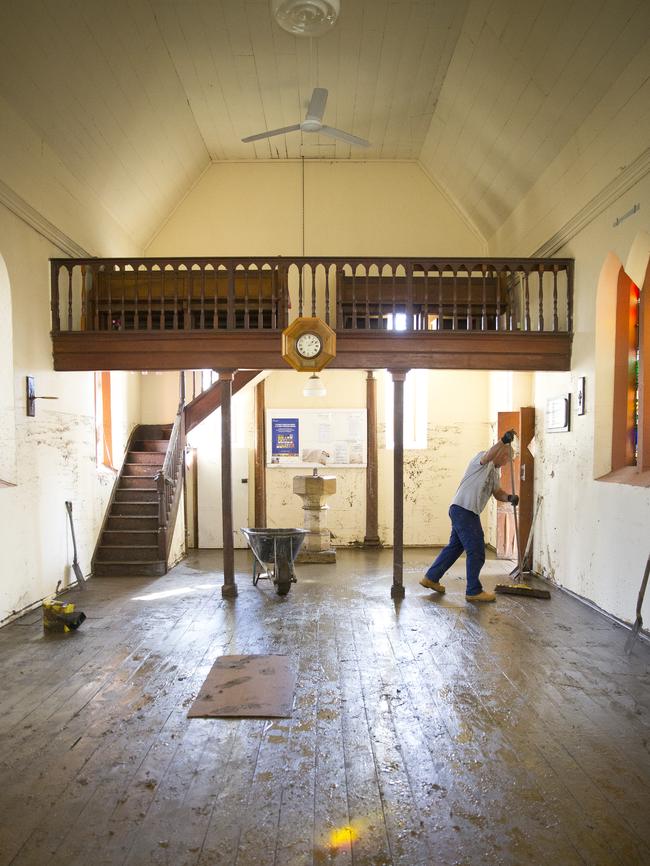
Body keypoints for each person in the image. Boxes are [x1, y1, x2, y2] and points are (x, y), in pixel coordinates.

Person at [419, 430, 519, 603]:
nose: (505, 463)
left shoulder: (495, 473)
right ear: (501, 453)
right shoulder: (481, 459)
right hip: (464, 509)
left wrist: (509, 498)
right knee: (477, 549)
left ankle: (431, 578)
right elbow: (489, 455)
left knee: (455, 547)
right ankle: (473, 590)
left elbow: (497, 493)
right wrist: (503, 440)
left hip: (464, 511)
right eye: (505, 459)